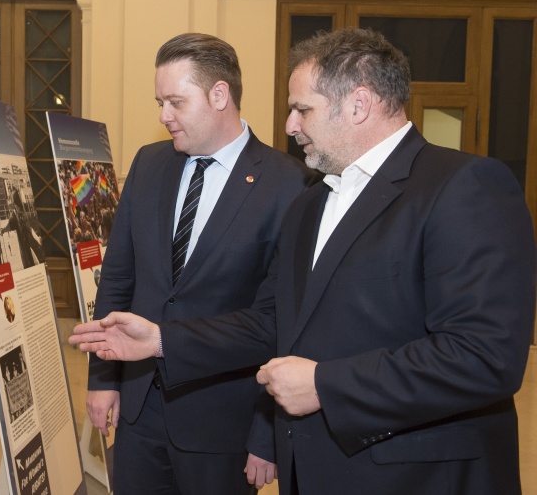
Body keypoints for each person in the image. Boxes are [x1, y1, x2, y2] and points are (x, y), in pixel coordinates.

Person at [70, 27, 537, 495]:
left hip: (419, 475)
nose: (290, 126)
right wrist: (160, 340)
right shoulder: (312, 203)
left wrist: (324, 384)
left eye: (302, 109)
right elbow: (272, 322)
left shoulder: (463, 187)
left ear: (358, 104)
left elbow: (485, 356)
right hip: (317, 468)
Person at [85, 32, 317, 495]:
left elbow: (282, 325)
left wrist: (267, 431)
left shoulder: (290, 185)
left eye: (174, 101)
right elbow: (118, 278)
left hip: (223, 423)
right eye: (159, 101)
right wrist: (103, 378)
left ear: (218, 95)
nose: (162, 116)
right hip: (139, 406)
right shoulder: (150, 164)